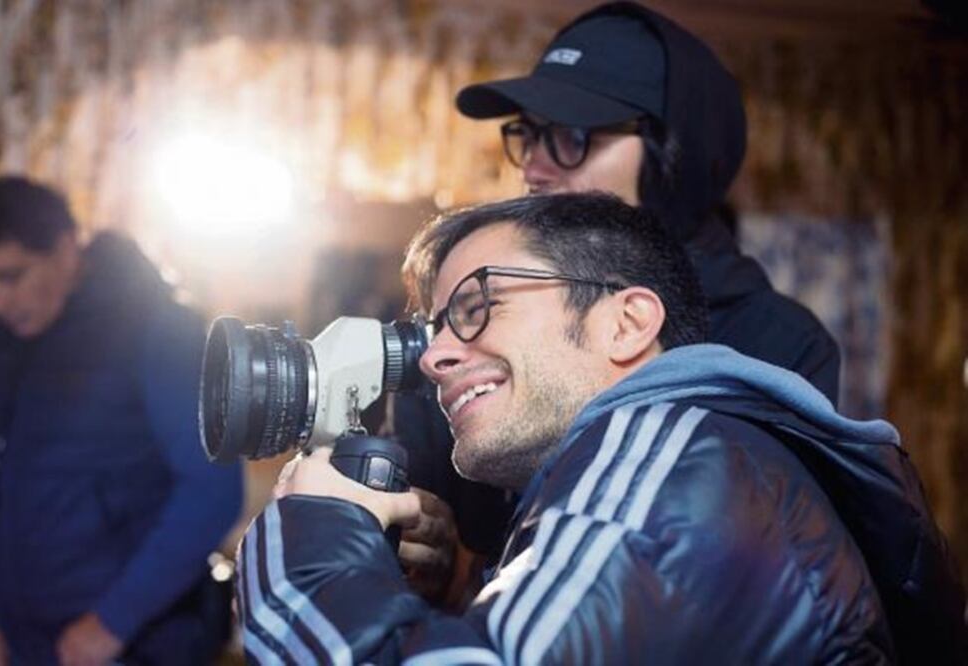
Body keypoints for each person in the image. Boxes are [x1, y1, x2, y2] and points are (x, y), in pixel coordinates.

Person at [235, 192, 965, 664]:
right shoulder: (704, 460)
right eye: (431, 327)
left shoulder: (670, 457)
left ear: (628, 322)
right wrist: (458, 592)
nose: (432, 356)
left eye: (475, 305)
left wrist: (312, 528)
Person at [395, 0, 844, 604]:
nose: (533, 165)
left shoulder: (777, 343)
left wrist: (469, 576)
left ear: (671, 157)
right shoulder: (468, 330)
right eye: (526, 135)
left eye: (572, 137)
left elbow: (720, 581)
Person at [0, 176, 243, 666]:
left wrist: (114, 622)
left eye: (12, 275)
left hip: (134, 642)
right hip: (29, 641)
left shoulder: (158, 328)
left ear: (66, 249)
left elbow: (212, 490)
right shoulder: (5, 342)